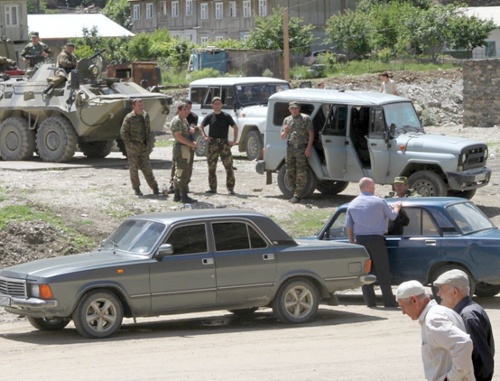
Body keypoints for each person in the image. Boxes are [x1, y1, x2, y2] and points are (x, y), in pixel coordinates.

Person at [396, 280, 475, 381]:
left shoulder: (433, 319)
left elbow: (463, 343)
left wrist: (451, 378)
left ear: (414, 300)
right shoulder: (440, 312)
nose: (403, 312)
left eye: (403, 306)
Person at [346, 177, 402, 307]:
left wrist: (351, 241)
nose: (375, 188)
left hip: (360, 241)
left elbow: (348, 226)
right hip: (376, 240)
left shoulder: (352, 204)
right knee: (383, 271)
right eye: (374, 186)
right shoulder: (379, 201)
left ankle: (370, 302)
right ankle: (389, 302)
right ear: (369, 187)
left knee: (365, 272)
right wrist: (397, 207)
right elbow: (393, 216)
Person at [434, 269, 495, 381]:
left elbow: (482, 361)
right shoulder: (467, 312)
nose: (438, 294)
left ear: (455, 292)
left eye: (440, 289)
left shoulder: (468, 316)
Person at [120, 98, 160, 196]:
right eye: (139, 105)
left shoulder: (145, 115)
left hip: (143, 146)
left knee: (147, 168)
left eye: (142, 105)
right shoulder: (129, 118)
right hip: (133, 147)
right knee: (134, 169)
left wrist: (148, 143)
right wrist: (130, 145)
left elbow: (148, 130)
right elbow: (123, 133)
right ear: (133, 106)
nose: (141, 107)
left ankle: (155, 187)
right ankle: (137, 188)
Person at [198, 97, 239, 195]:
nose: (217, 105)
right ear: (212, 105)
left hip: (224, 143)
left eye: (219, 103)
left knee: (229, 167)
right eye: (215, 104)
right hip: (213, 143)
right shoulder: (210, 116)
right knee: (211, 167)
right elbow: (201, 126)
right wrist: (205, 136)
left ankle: (230, 188)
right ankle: (212, 188)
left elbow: (235, 127)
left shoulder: (226, 116)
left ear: (221, 105)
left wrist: (234, 140)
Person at [280, 101, 314, 204]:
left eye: (296, 108)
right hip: (290, 149)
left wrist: (308, 148)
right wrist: (285, 131)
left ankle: (297, 195)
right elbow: (282, 137)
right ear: (289, 109)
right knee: (290, 171)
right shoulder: (287, 120)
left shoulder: (305, 118)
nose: (294, 110)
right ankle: (293, 192)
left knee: (301, 172)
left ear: (299, 109)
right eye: (292, 108)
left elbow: (311, 133)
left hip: (301, 148)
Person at [168, 99, 198, 194]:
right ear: (179, 110)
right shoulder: (176, 121)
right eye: (184, 109)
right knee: (181, 172)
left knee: (185, 170)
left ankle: (178, 194)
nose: (187, 111)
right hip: (181, 149)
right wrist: (192, 144)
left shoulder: (184, 120)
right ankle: (183, 195)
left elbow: (187, 133)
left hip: (185, 149)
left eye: (188, 109)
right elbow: (179, 137)